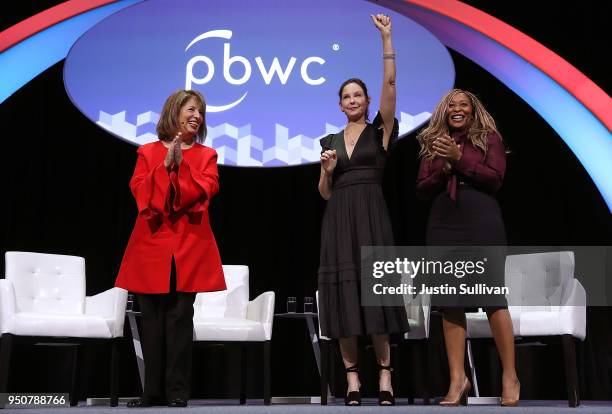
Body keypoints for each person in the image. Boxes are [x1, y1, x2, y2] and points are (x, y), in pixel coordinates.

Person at [317, 14, 409, 406]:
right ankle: (352, 380)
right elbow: (324, 193)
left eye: (359, 95)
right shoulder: (329, 140)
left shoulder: (381, 131)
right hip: (338, 219)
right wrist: (326, 173)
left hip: (372, 216)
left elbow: (390, 86)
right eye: (347, 96)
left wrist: (387, 40)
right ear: (339, 105)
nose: (353, 100)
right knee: (345, 297)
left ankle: (385, 376)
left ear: (368, 101)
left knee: (376, 296)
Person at [115, 89, 225, 408]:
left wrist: (181, 168)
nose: (197, 117)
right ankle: (151, 392)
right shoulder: (147, 152)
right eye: (191, 110)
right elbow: (140, 191)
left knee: (180, 320)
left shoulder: (206, 155)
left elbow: (207, 189)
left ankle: (177, 392)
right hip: (151, 245)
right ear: (174, 112)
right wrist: (164, 166)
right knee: (151, 321)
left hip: (189, 247)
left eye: (201, 112)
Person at [416, 89, 520, 406]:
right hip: (444, 221)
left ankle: (509, 375)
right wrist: (444, 167)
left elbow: (495, 179)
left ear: (473, 111)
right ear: (443, 112)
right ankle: (457, 379)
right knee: (450, 300)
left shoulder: (489, 138)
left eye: (463, 105)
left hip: (481, 219)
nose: (457, 109)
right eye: (451, 105)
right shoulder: (433, 143)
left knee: (492, 297)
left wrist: (459, 160)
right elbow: (421, 189)